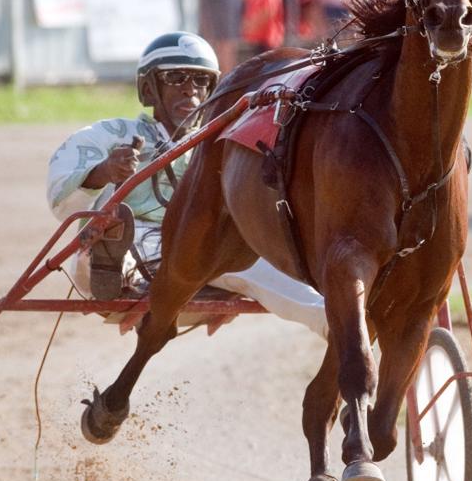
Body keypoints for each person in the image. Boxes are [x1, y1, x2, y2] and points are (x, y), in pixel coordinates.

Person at [46, 32, 327, 338]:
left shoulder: (224, 146)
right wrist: (104, 171)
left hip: (201, 251)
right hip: (131, 237)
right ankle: (114, 269)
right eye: (176, 78)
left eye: (200, 81)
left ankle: (337, 327)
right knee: (111, 229)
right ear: (148, 89)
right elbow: (62, 200)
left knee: (267, 266)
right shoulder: (111, 134)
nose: (190, 89)